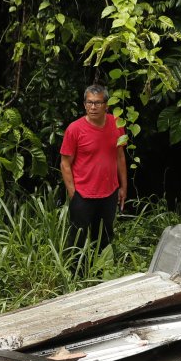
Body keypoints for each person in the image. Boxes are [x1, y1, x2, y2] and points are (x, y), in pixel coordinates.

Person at [59, 84, 127, 249]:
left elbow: (120, 156)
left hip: (109, 192)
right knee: (77, 241)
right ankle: (77, 273)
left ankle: (101, 273)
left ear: (106, 105)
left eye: (97, 103)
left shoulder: (117, 123)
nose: (93, 107)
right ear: (84, 104)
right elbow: (65, 163)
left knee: (104, 238)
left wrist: (123, 186)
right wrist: (73, 194)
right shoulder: (74, 129)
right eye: (89, 102)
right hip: (83, 194)